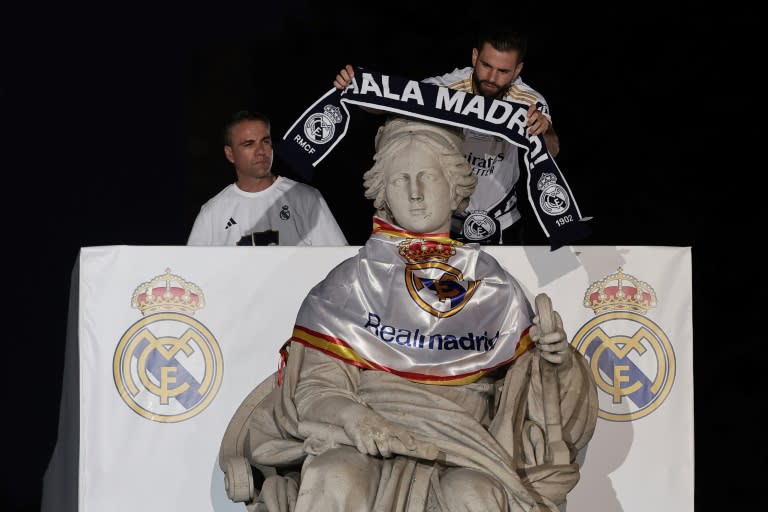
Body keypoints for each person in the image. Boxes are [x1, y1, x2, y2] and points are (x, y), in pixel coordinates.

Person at [220, 117, 597, 511]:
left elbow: (529, 395)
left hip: (464, 447)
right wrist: (353, 417)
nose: (415, 194)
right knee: (335, 474)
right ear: (383, 192)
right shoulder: (352, 279)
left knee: (473, 495)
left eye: (428, 178)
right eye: (401, 180)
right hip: (365, 435)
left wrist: (556, 362)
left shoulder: (492, 283)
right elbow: (316, 388)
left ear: (454, 188)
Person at [333, 28, 558, 245]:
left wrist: (544, 129)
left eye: (503, 71)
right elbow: (395, 103)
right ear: (474, 56)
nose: (491, 77)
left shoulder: (528, 102)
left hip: (500, 220)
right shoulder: (449, 87)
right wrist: (356, 88)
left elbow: (552, 150)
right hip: (444, 217)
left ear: (517, 70)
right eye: (486, 65)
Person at [187, 110, 348, 246]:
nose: (261, 151)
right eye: (249, 144)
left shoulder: (307, 198)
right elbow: (194, 275)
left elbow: (340, 266)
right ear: (230, 154)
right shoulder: (213, 212)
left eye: (265, 141)